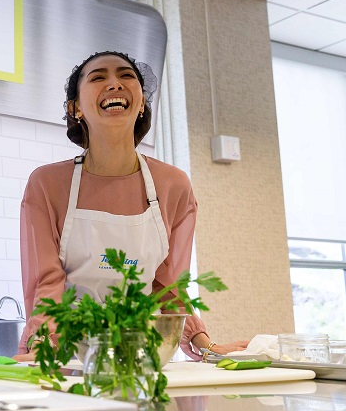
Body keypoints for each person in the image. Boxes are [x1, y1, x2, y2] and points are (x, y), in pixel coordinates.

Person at [15, 51, 247, 361]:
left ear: (141, 104)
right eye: (98, 77)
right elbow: (46, 282)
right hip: (70, 355)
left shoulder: (173, 186)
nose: (114, 83)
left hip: (143, 355)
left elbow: (169, 287)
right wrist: (41, 347)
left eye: (126, 76)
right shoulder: (47, 184)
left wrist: (204, 344)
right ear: (76, 108)